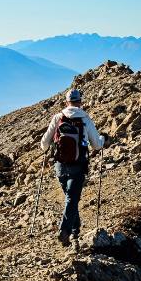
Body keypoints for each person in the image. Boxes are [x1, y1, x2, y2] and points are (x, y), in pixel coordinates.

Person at [40, 88, 104, 247]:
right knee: (72, 199)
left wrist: (49, 147)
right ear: (80, 101)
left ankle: (75, 229)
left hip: (60, 166)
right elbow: (97, 145)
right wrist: (103, 139)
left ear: (67, 102)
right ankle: (65, 230)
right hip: (78, 165)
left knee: (71, 198)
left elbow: (44, 144)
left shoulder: (58, 117)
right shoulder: (85, 118)